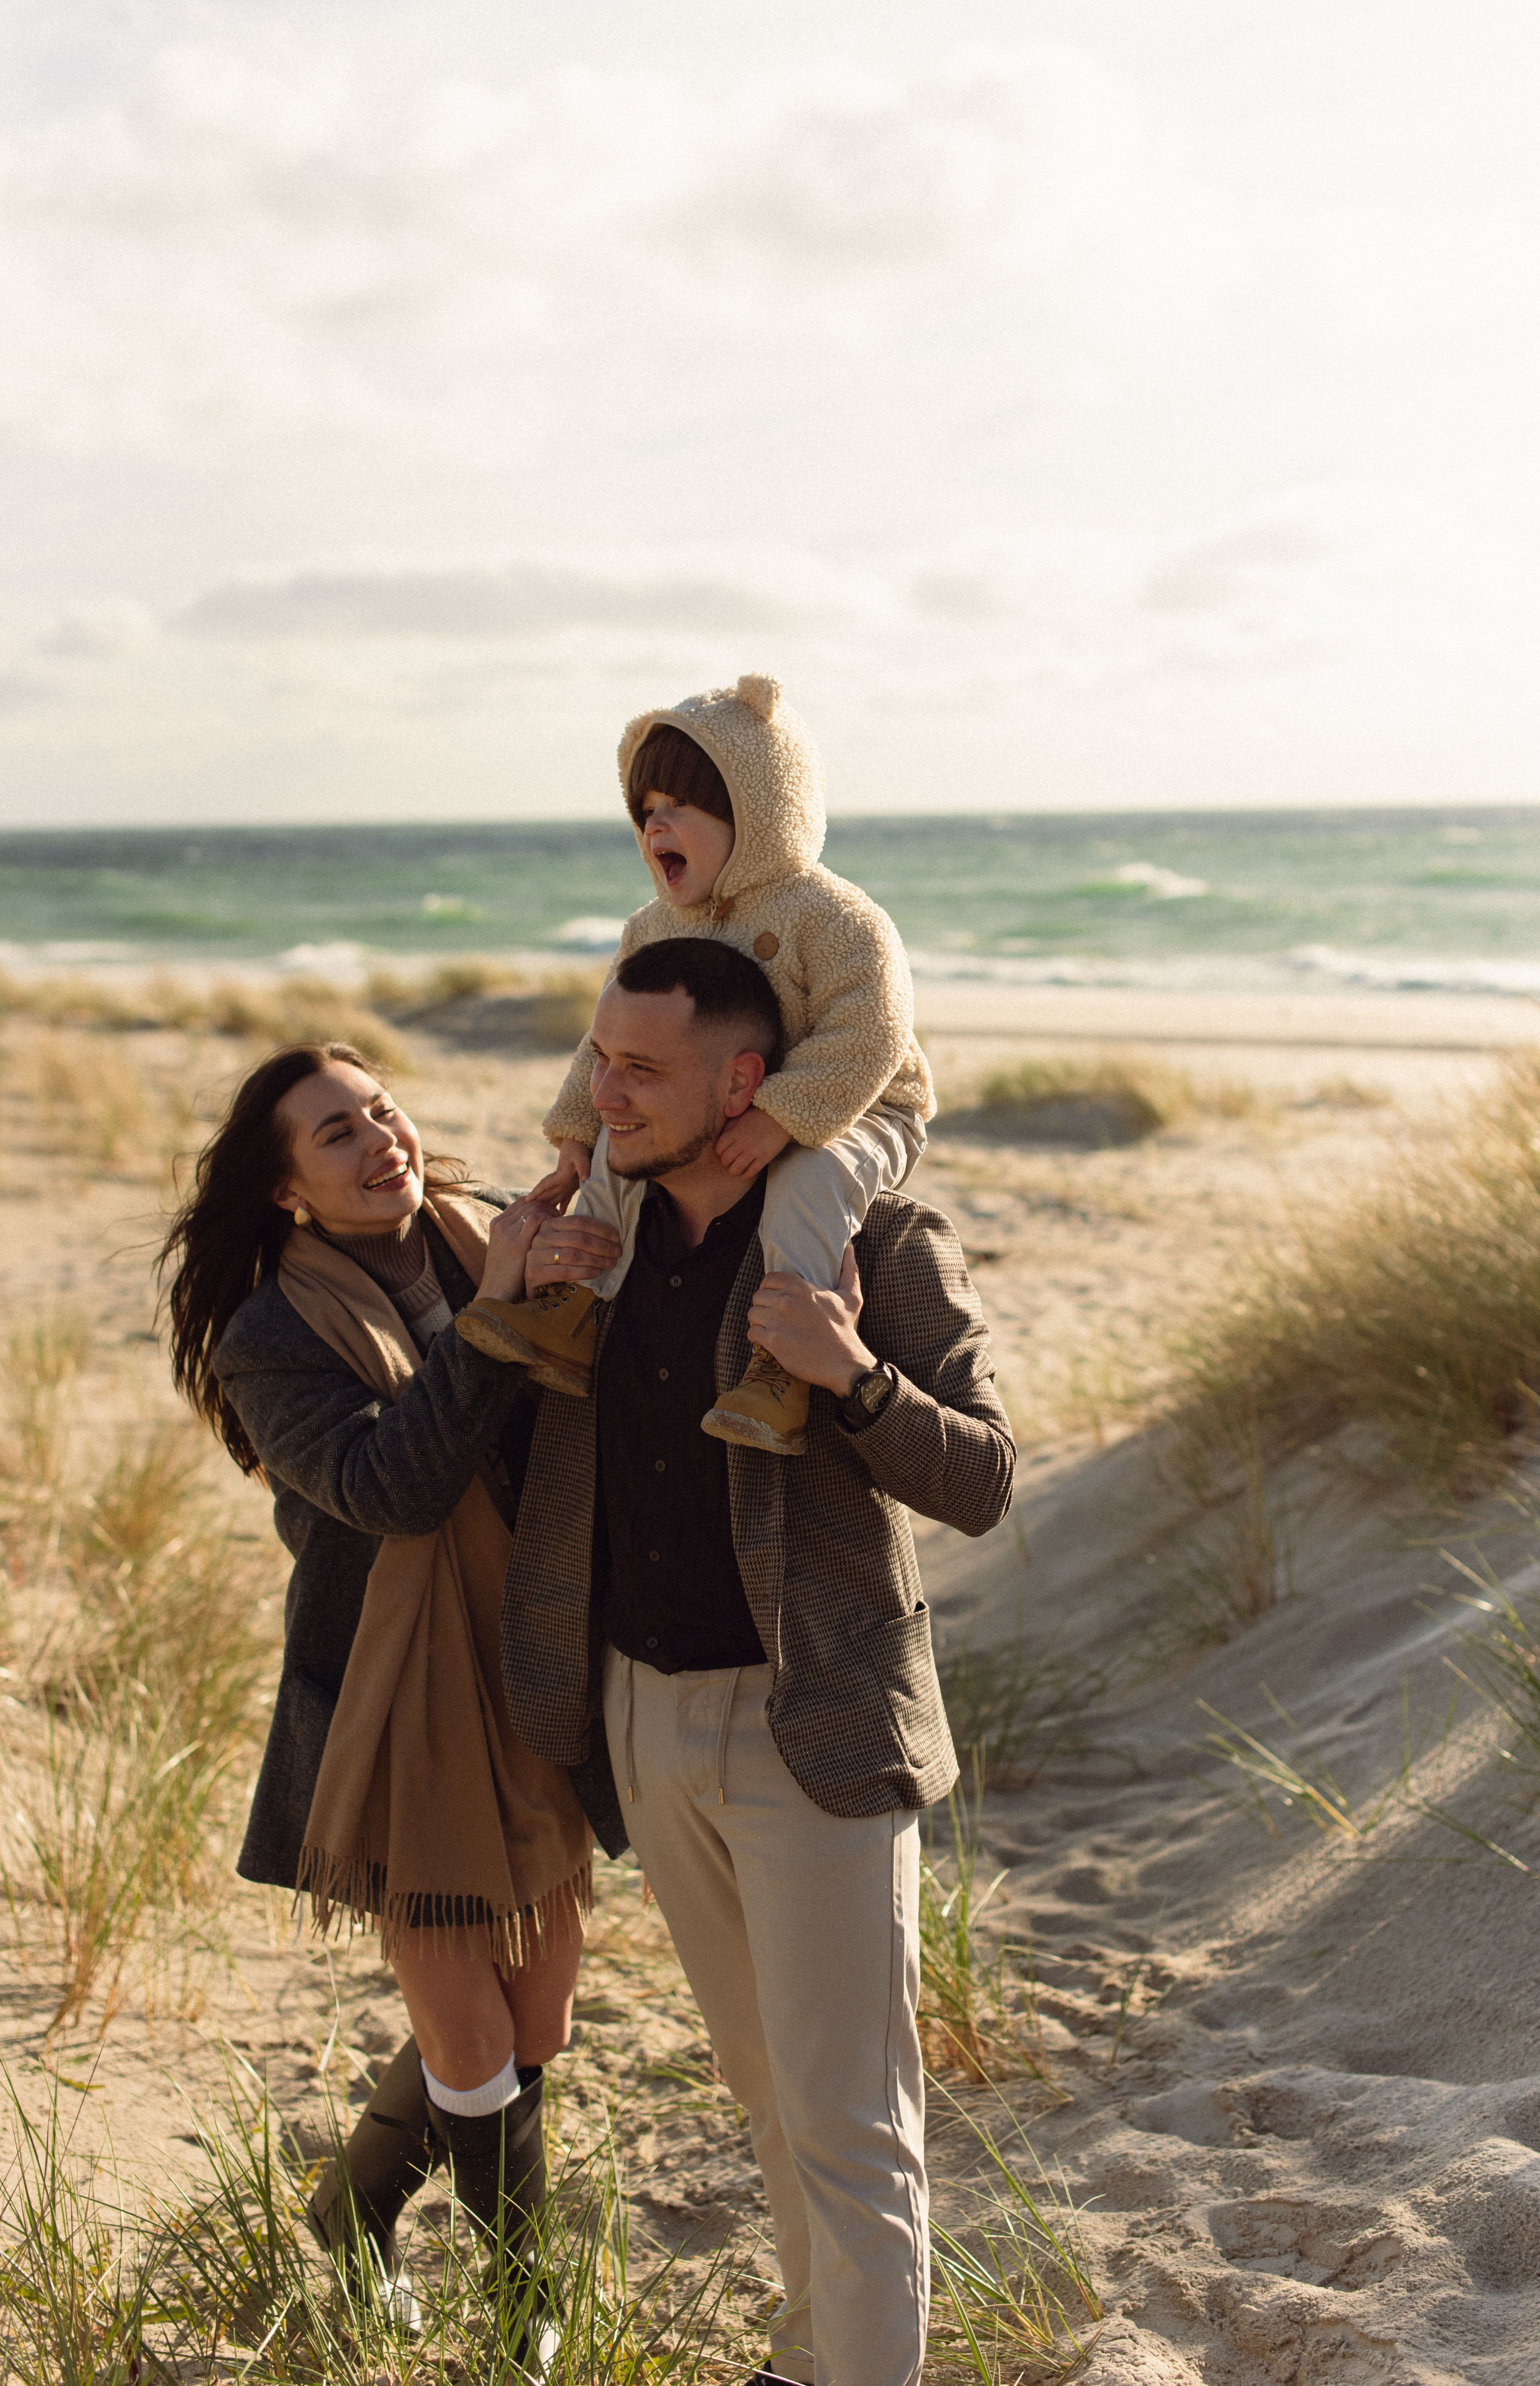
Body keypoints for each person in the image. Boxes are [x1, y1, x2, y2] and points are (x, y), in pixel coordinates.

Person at [477, 939, 1015, 2386]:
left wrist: (853, 1376)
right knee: (767, 2091)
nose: (604, 1092)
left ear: (742, 1083)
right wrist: (509, 1295)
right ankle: (807, 2352)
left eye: (639, 1069)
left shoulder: (879, 1240)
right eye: (599, 1058)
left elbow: (982, 1478)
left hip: (811, 1729)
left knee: (850, 2120)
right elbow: (512, 1444)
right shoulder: (601, 1239)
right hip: (638, 1717)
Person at [161, 1040, 622, 2358]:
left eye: (381, 1108)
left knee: (539, 2021)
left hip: (531, 1657)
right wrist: (500, 1316)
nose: (381, 1141)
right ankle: (523, 2309)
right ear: (288, 1192)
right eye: (336, 1134)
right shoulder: (268, 1336)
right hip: (391, 1687)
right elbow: (394, 1490)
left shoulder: (490, 1238)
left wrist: (572, 1267)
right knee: (468, 2028)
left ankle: (354, 2209)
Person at [455, 671, 935, 1459]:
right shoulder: (654, 926)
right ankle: (575, 1311)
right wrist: (578, 1125)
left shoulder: (835, 916)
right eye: (646, 810)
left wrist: (781, 1117)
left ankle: (779, 1369)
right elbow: (610, 1038)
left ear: (761, 809)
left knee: (809, 1181)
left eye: (682, 805)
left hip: (858, 1104)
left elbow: (872, 1033)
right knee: (620, 1149)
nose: (657, 825)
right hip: (712, 1102)